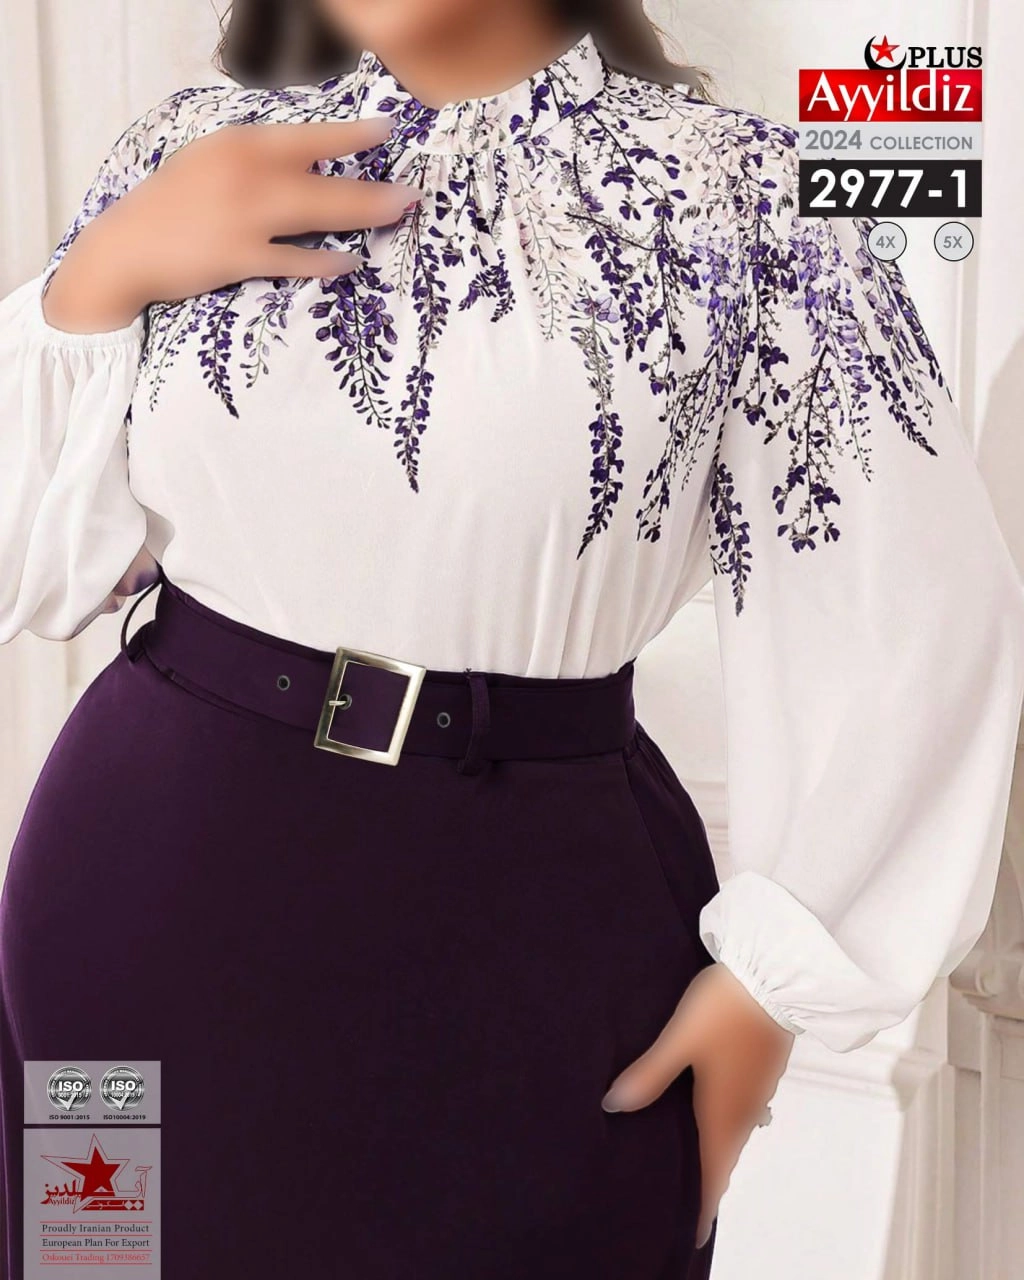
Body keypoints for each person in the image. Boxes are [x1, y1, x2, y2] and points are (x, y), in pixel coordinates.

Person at [1, 1, 1022, 1276]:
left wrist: (778, 984)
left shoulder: (757, 199)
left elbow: (912, 611)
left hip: (536, 927)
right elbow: (32, 570)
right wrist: (93, 285)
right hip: (138, 897)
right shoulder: (189, 146)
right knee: (94, 1255)